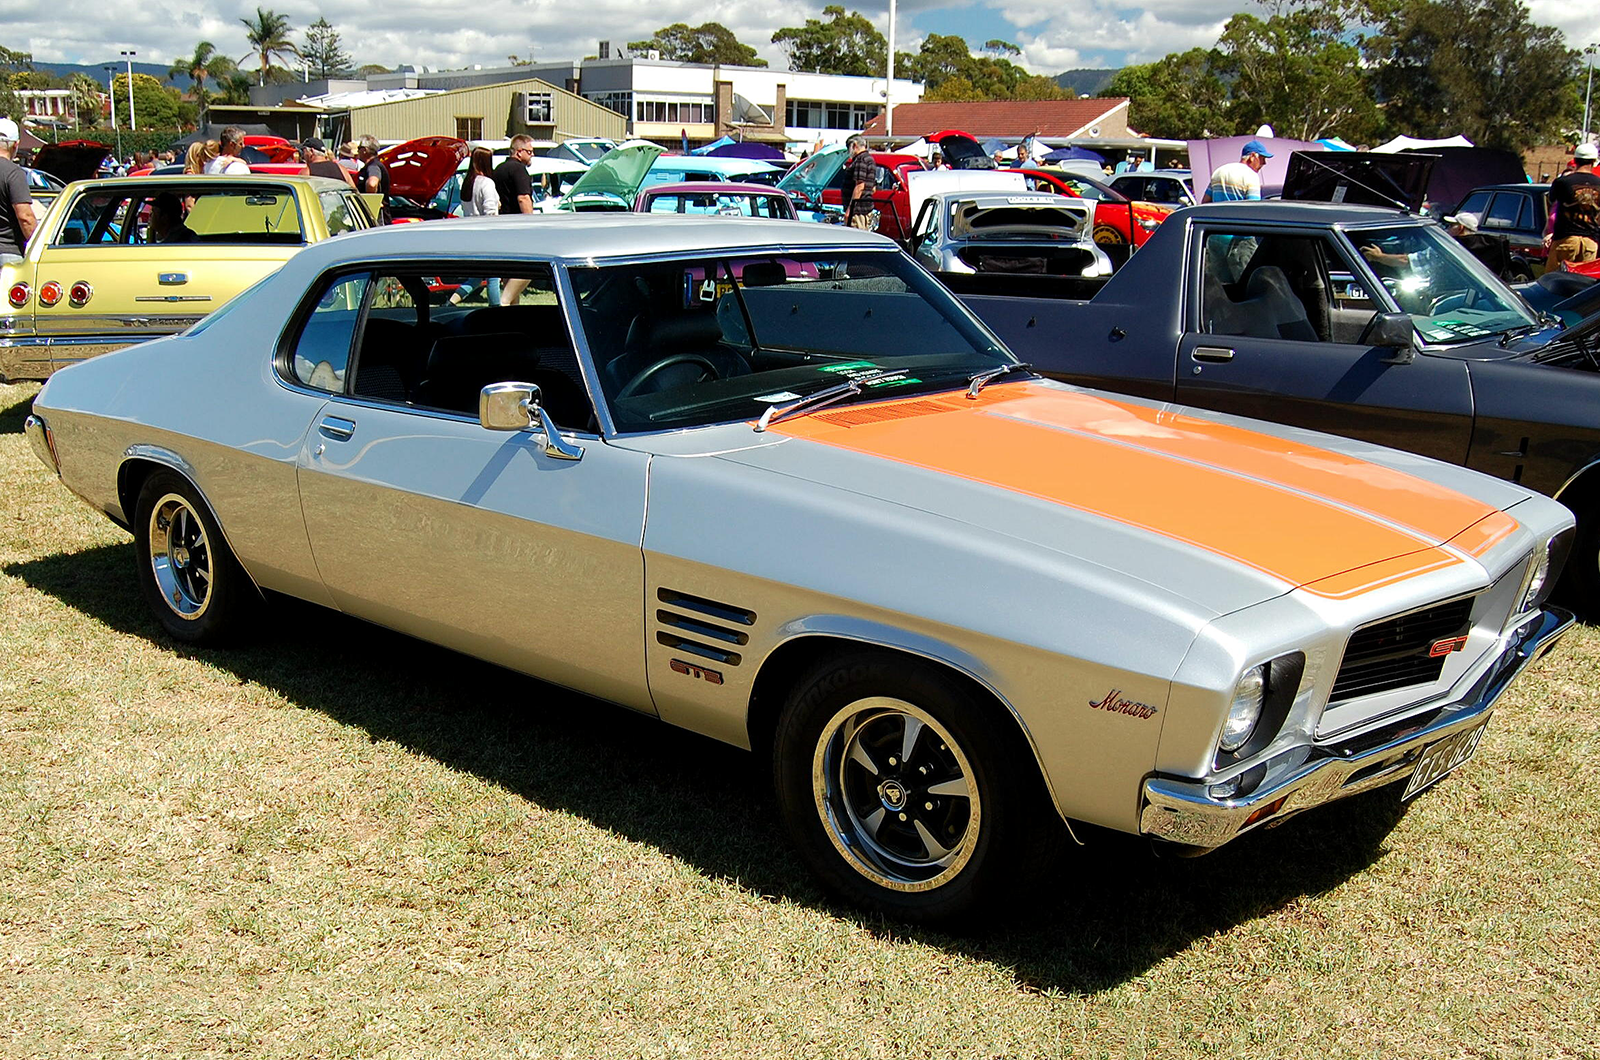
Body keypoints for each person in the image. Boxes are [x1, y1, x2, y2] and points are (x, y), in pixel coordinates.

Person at [493, 135, 537, 304]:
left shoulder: (499, 169)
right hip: (518, 226)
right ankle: (505, 302)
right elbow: (523, 198)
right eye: (530, 151)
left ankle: (513, 309)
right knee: (530, 267)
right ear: (519, 152)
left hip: (501, 226)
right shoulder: (519, 170)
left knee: (509, 273)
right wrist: (531, 225)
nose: (532, 155)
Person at [1546, 142, 1600, 269]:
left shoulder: (1562, 182)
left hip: (1565, 239)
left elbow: (1551, 201)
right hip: (1590, 242)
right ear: (1593, 162)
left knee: (1553, 282)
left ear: (1575, 160)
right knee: (1584, 285)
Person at [0, 118, 38, 265]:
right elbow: (25, 217)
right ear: (15, 145)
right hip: (8, 253)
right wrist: (37, 245)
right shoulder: (13, 173)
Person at [1204, 139, 1272, 202]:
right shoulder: (1251, 177)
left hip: (1216, 215)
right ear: (1252, 156)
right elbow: (1254, 208)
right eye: (1262, 159)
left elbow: (1205, 202)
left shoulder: (1218, 172)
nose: (1264, 163)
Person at [842, 134, 877, 231]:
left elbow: (859, 186)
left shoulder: (860, 160)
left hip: (857, 210)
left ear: (854, 145)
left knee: (854, 236)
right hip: (865, 207)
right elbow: (873, 188)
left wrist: (850, 209)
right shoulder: (869, 159)